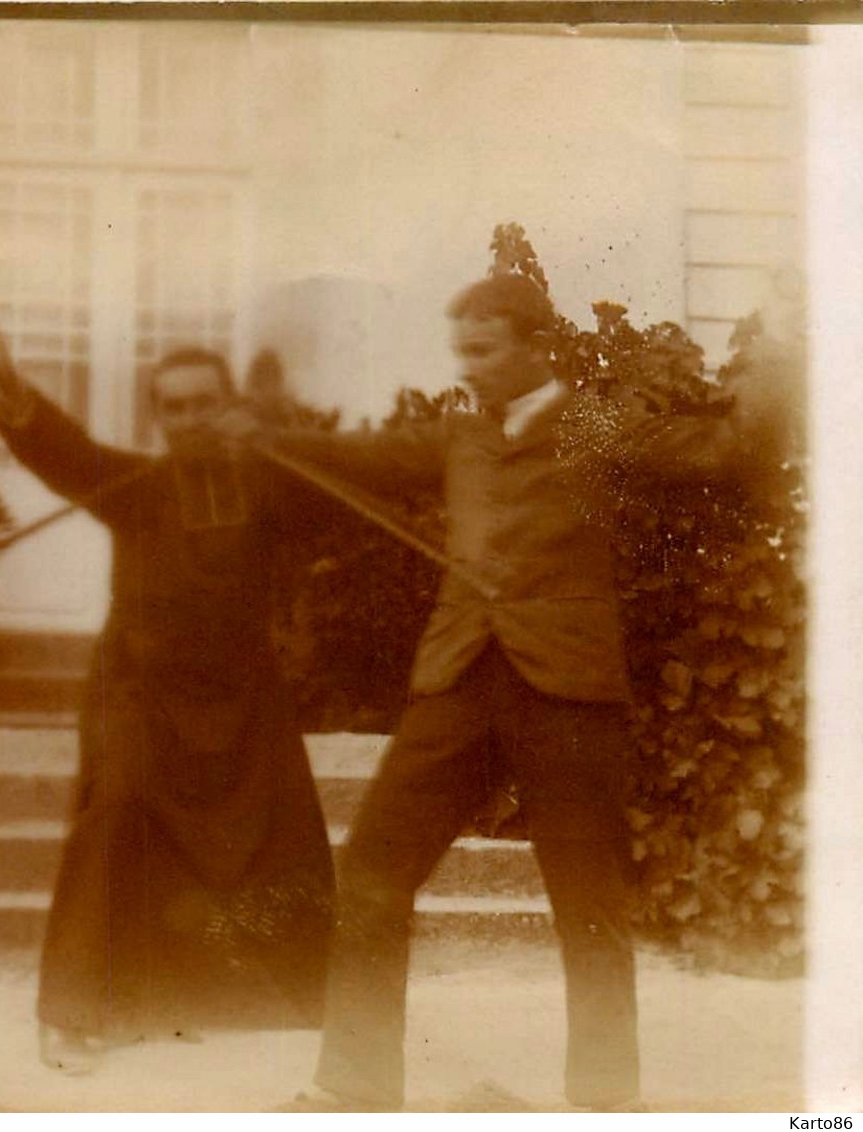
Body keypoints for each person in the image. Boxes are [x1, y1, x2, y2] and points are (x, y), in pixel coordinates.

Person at [261, 274, 785, 1112]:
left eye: (482, 350)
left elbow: (723, 453)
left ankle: (608, 1100)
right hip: (457, 679)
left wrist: (783, 360)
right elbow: (361, 455)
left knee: (590, 900)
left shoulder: (594, 426)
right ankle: (353, 1086)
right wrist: (259, 438)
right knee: (371, 873)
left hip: (567, 690)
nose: (467, 367)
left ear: (534, 345)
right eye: (459, 351)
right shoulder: (459, 435)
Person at [0, 315, 337, 1074]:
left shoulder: (270, 480)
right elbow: (69, 454)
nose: (187, 419)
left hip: (242, 693)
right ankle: (75, 1012)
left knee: (281, 826)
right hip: (139, 688)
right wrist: (20, 402)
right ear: (158, 416)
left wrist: (271, 435)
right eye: (172, 407)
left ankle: (253, 997)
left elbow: (332, 490)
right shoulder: (136, 487)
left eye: (203, 402)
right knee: (118, 812)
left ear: (229, 404)